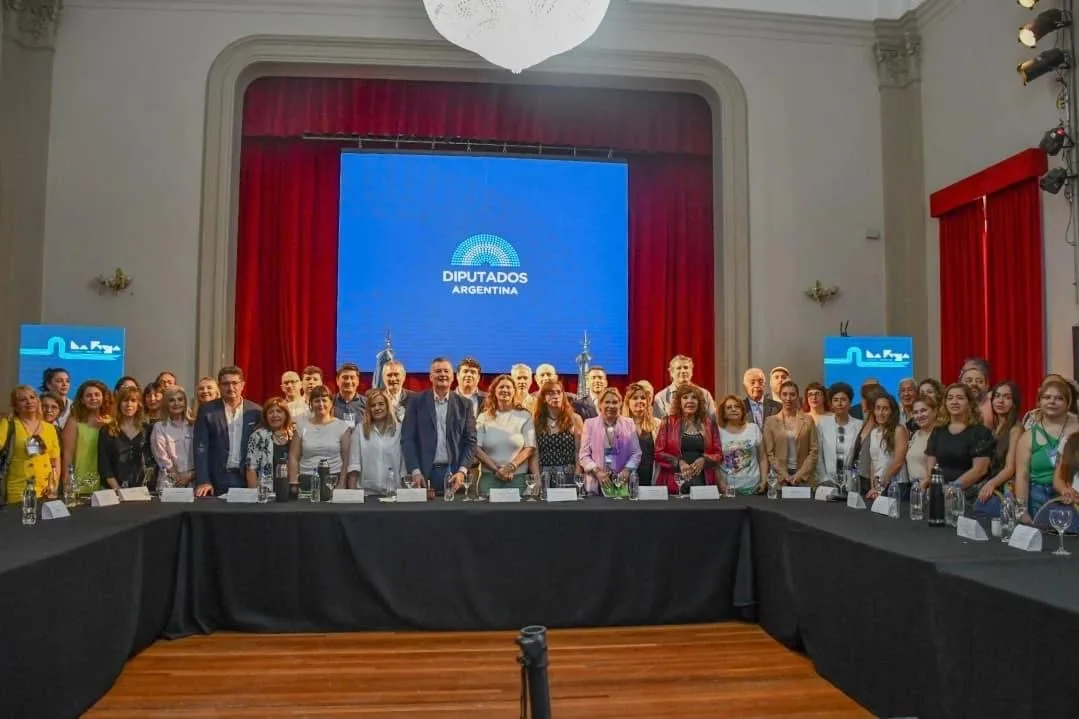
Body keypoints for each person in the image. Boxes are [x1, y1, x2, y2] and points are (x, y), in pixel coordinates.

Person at [401, 357, 477, 497]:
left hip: (455, 474)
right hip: (424, 475)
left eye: (446, 371)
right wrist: (415, 471)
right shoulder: (416, 402)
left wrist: (462, 471)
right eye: (438, 371)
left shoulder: (465, 404)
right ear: (430, 376)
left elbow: (470, 441)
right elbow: (407, 439)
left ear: (453, 376)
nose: (442, 374)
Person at [921, 383, 994, 508]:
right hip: (940, 493)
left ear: (969, 403)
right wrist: (929, 482)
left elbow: (980, 470)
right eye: (950, 398)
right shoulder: (938, 431)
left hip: (969, 496)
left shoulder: (980, 432)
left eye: (960, 398)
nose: (954, 402)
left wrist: (952, 488)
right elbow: (931, 465)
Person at [1015, 378, 1077, 522]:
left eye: (1059, 398)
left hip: (1071, 495)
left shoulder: (1076, 430)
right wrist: (1021, 511)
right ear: (1039, 402)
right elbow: (1022, 475)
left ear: (1068, 404)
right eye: (1047, 397)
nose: (1052, 402)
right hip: (1038, 496)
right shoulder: (1028, 436)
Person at [194, 366, 262, 496]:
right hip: (216, 481)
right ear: (219, 386)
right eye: (226, 384)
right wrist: (203, 480)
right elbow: (201, 447)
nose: (230, 388)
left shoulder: (256, 412)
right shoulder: (207, 411)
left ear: (242, 385)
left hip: (247, 479)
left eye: (235, 383)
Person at [655, 384, 723, 495]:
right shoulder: (667, 423)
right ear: (679, 402)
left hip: (703, 482)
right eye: (685, 397)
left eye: (694, 397)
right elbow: (658, 453)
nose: (690, 401)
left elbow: (718, 454)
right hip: (674, 482)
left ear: (700, 402)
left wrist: (705, 460)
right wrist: (679, 462)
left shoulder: (709, 424)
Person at [475, 374, 536, 496]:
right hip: (490, 477)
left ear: (514, 391)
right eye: (501, 387)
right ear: (494, 391)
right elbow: (476, 448)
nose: (505, 390)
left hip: (517, 477)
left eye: (508, 387)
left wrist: (510, 467)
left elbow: (530, 448)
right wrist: (497, 470)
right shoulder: (483, 417)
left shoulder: (525, 416)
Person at [0, 386, 61, 504]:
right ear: (15, 406)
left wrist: (53, 484)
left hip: (46, 490)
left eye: (32, 397)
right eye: (23, 399)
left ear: (37, 401)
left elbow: (55, 460)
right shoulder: (8, 424)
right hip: (19, 489)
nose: (29, 401)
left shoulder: (49, 427)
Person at [288, 385, 350, 496]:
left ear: (331, 403)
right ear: (310, 404)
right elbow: (293, 456)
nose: (321, 404)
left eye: (324, 400)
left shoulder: (342, 426)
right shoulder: (301, 426)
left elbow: (347, 459)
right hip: (306, 480)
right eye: (317, 401)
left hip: (333, 480)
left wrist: (342, 484)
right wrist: (293, 483)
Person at [579, 387, 641, 496]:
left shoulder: (629, 423)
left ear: (620, 404)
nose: (611, 406)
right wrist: (597, 471)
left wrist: (627, 470)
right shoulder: (589, 424)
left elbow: (636, 453)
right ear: (600, 404)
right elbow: (584, 455)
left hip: (623, 483)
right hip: (596, 484)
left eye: (615, 402)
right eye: (607, 402)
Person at [347, 389, 407, 496]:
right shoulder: (360, 430)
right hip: (367, 494)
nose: (377, 408)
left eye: (381, 404)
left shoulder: (399, 429)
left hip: (394, 494)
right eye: (373, 405)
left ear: (387, 406)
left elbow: (403, 466)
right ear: (368, 409)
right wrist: (352, 496)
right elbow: (354, 465)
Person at [975, 382, 1022, 515]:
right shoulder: (993, 427)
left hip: (1006, 487)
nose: (1000, 401)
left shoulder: (1016, 429)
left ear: (1014, 402)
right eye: (997, 396)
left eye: (1007, 397)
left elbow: (1010, 467)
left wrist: (991, 484)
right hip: (991, 482)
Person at [61, 380, 112, 497]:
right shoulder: (74, 421)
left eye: (97, 395)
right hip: (81, 481)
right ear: (82, 400)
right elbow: (68, 453)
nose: (93, 398)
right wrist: (66, 481)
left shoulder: (111, 422)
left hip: (107, 482)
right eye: (88, 396)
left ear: (103, 397)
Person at [763, 380, 819, 487]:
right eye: (785, 394)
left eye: (792, 394)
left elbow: (814, 451)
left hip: (803, 477)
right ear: (780, 396)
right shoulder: (770, 421)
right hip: (780, 478)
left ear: (797, 397)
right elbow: (770, 453)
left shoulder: (808, 420)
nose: (788, 398)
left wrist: (800, 475)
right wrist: (784, 475)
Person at [98, 386, 153, 490]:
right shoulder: (106, 430)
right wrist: (117, 489)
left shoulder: (147, 429)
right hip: (114, 489)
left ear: (139, 404)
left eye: (133, 401)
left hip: (142, 489)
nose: (129, 405)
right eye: (125, 400)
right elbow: (104, 465)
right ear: (119, 404)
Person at [532, 380, 584, 485]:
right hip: (545, 475)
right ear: (543, 399)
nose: (556, 396)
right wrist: (536, 477)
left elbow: (580, 451)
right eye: (550, 393)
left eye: (558, 392)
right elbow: (535, 453)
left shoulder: (574, 419)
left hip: (569, 474)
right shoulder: (536, 421)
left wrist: (578, 472)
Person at [717, 393, 767, 495]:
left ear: (742, 411)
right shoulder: (718, 432)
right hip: (729, 490)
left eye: (737, 406)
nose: (734, 409)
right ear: (724, 413)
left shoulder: (753, 428)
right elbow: (715, 464)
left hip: (754, 488)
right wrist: (722, 484)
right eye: (729, 407)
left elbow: (762, 457)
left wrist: (764, 481)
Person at [815, 382, 861, 488]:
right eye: (835, 400)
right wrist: (824, 479)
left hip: (851, 483)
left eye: (843, 400)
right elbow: (818, 455)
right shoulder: (823, 423)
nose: (839, 404)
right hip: (827, 482)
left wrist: (854, 479)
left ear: (850, 403)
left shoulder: (859, 425)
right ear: (831, 404)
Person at [863, 393, 908, 501]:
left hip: (896, 485)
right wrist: (873, 488)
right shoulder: (874, 432)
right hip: (879, 487)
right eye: (878, 408)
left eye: (885, 409)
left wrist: (881, 486)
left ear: (892, 411)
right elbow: (873, 463)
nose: (881, 413)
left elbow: (898, 463)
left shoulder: (899, 430)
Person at [151, 387, 196, 488]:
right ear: (166, 404)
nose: (176, 403)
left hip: (193, 482)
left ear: (185, 402)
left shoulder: (194, 425)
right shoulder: (159, 427)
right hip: (169, 482)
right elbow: (161, 456)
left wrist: (189, 476)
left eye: (180, 399)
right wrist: (177, 476)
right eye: (171, 400)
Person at [245, 397, 293, 490]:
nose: (275, 415)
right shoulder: (258, 436)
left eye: (279, 411)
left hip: (290, 491)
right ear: (265, 416)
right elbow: (251, 468)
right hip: (266, 492)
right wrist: (254, 494)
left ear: (286, 415)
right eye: (270, 412)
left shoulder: (294, 435)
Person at [622, 382, 657, 486]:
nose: (639, 401)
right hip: (626, 478)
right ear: (628, 402)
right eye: (635, 398)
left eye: (643, 398)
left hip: (650, 477)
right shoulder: (619, 425)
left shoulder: (657, 424)